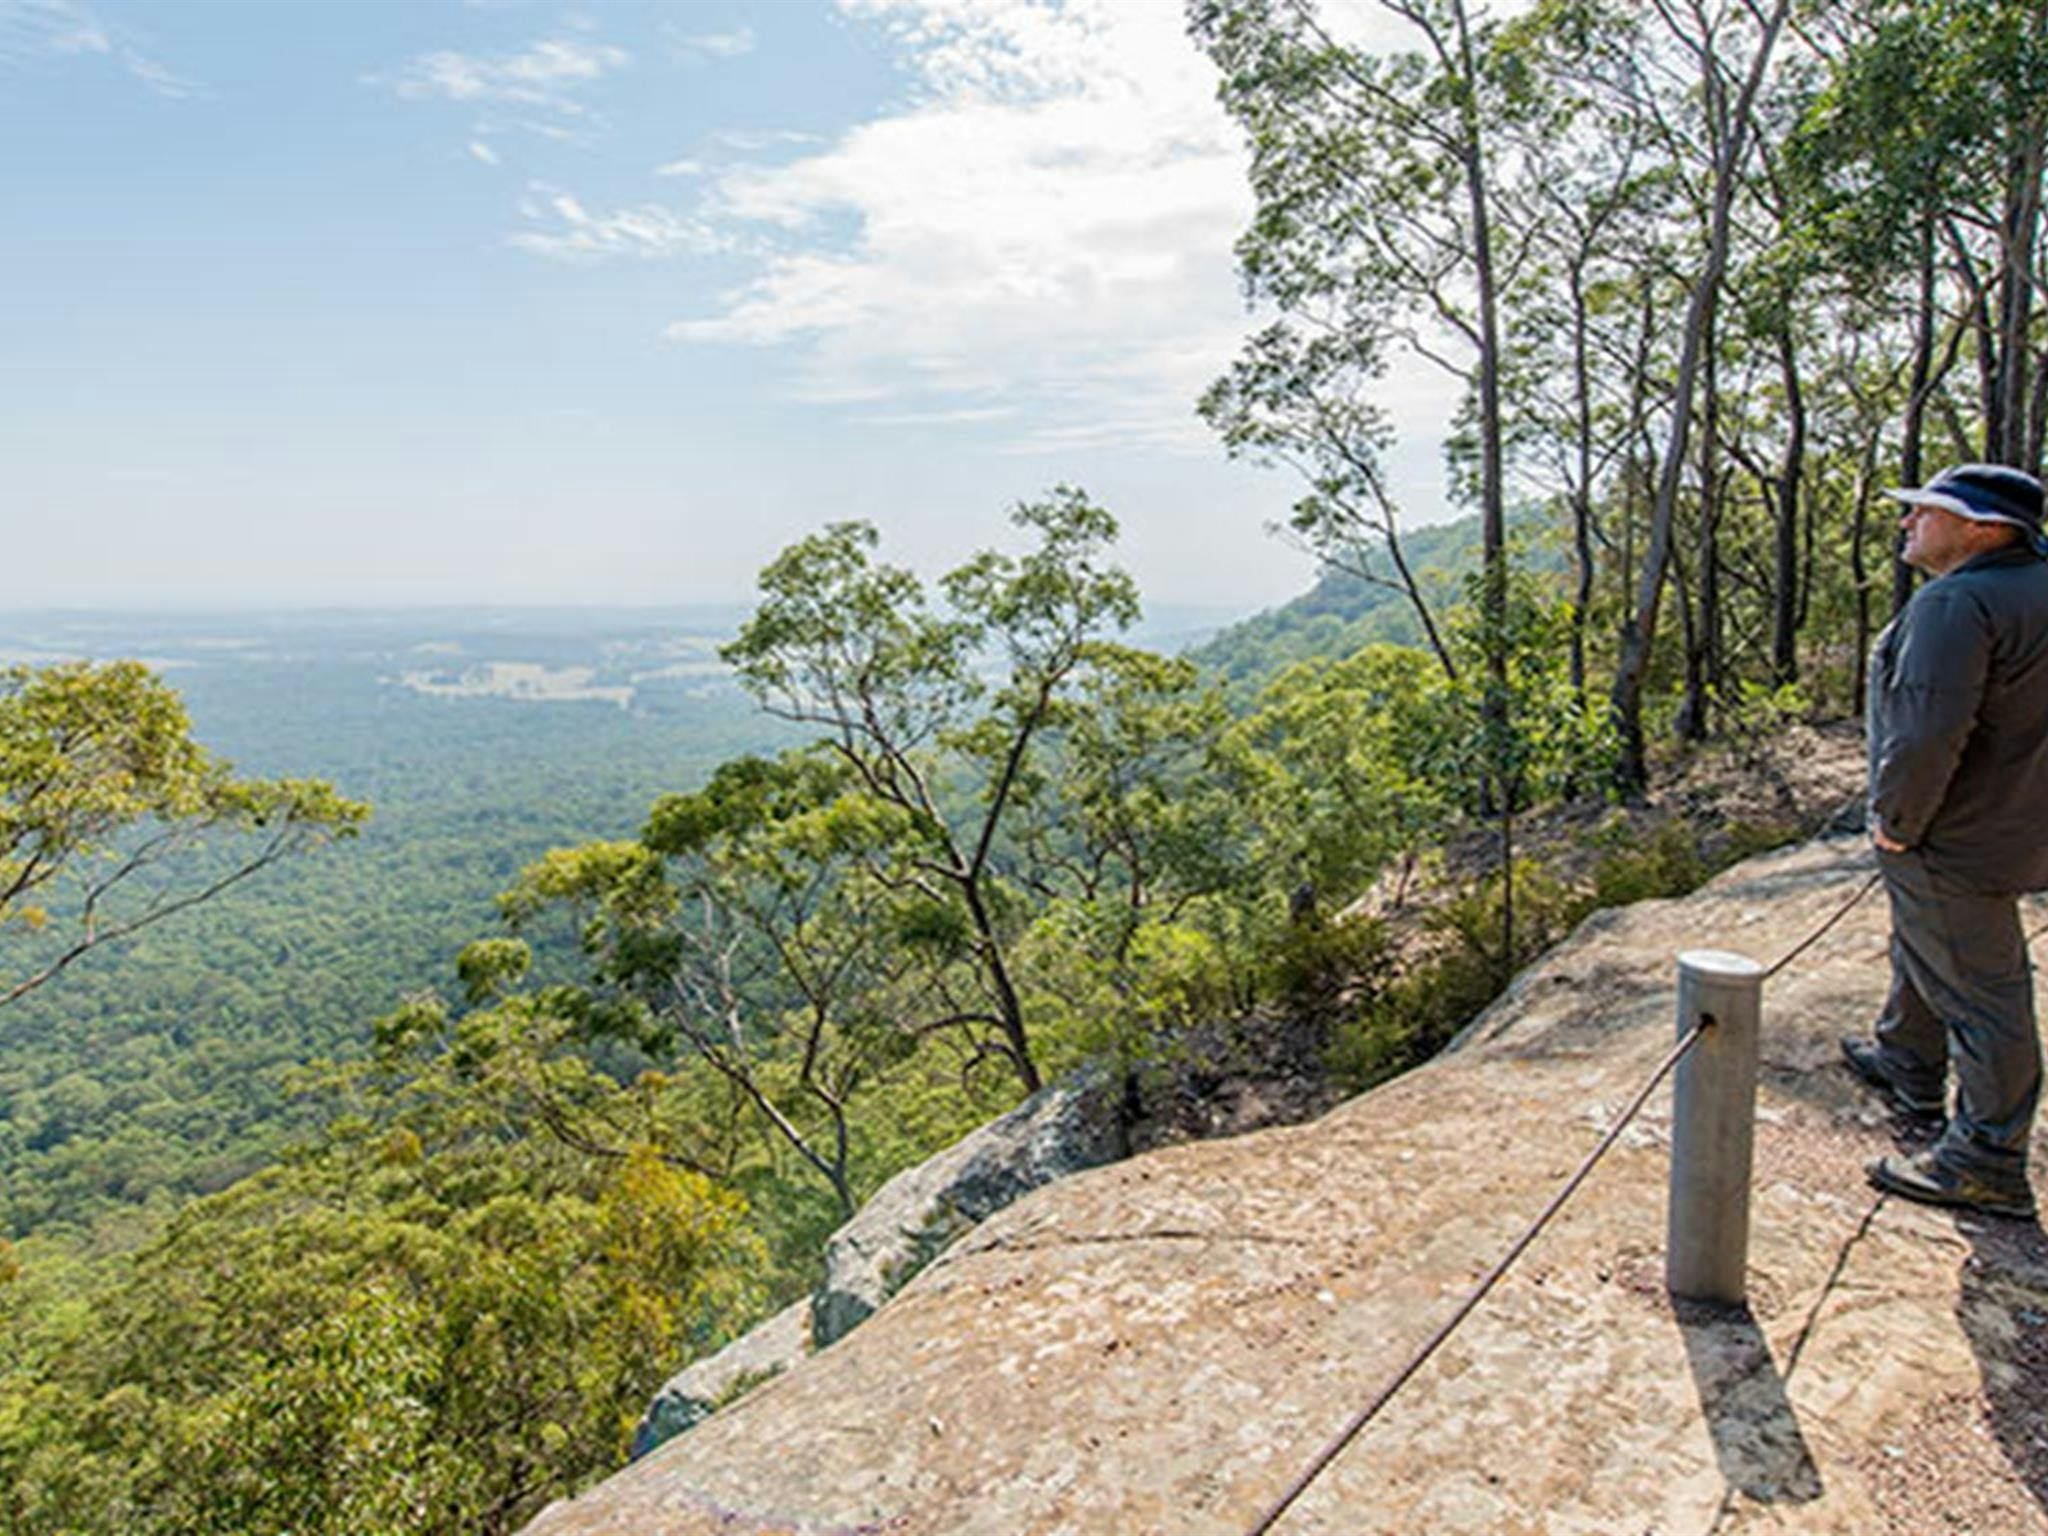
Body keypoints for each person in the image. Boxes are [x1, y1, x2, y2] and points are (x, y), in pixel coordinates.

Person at [1844, 462, 2048, 1220]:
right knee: (1930, 941)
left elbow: (1928, 732)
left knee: (1986, 990)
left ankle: (1987, 1158)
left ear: (1982, 528)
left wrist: (1897, 822)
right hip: (2018, 822)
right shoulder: (2032, 588)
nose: (1908, 524)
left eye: (1926, 512)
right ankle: (1907, 1057)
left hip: (1954, 831)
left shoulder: (1958, 604)